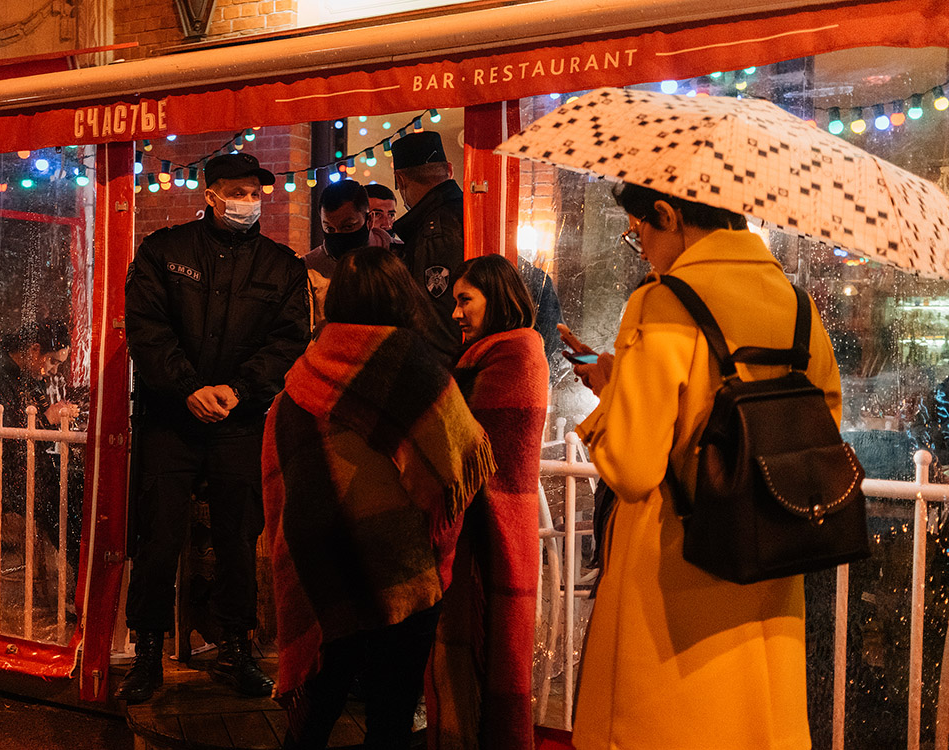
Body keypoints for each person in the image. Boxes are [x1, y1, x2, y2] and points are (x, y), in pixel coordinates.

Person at [562, 183, 842, 750]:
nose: (641, 247)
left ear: (668, 215)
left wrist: (611, 395)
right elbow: (822, 427)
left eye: (638, 231)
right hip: (770, 571)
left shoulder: (662, 303)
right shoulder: (799, 309)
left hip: (673, 580)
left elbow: (633, 468)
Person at [262, 246, 495, 749]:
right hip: (395, 560)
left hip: (318, 560)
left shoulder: (303, 371)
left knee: (319, 702)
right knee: (390, 716)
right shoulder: (407, 362)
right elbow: (457, 457)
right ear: (401, 296)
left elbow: (284, 471)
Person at [118, 152, 310, 703]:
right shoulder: (165, 250)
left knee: (238, 538)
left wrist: (239, 390)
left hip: (239, 421)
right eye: (238, 191)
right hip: (170, 419)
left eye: (255, 192)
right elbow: (146, 328)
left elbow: (289, 340)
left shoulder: (281, 265)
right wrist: (187, 387)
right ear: (210, 195)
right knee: (158, 537)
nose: (248, 201)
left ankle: (236, 649)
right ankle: (148, 652)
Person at [427, 254, 549, 750]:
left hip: (492, 527)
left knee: (489, 649)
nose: (456, 313)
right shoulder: (480, 355)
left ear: (496, 298)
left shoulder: (514, 353)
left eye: (466, 300)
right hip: (484, 523)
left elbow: (475, 445)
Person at [0, 320, 83, 583]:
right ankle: (82, 573)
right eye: (52, 361)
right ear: (34, 350)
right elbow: (6, 441)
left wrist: (53, 417)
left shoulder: (26, 377)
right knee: (61, 498)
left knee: (78, 485)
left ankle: (83, 571)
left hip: (24, 471)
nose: (53, 370)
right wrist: (47, 418)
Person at [390, 131, 464, 363]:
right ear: (449, 169)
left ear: (400, 180)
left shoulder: (434, 233)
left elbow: (437, 324)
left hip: (444, 374)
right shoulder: (467, 212)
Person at [304, 179, 391, 333]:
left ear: (369, 220)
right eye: (329, 229)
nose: (338, 235)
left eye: (348, 227)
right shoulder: (310, 268)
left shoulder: (398, 255)